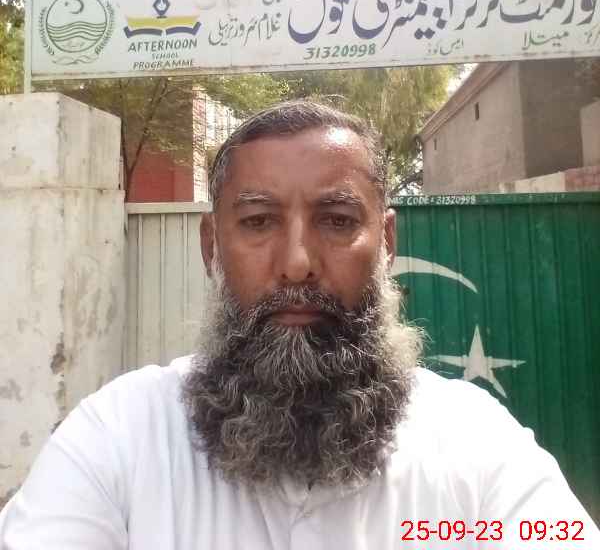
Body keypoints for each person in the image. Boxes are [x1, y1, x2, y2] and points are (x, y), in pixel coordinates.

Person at [0, 100, 598, 549]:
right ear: (211, 247)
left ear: (386, 243)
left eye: (336, 220)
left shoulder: (474, 444)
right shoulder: (117, 439)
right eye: (258, 221)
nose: (296, 263)